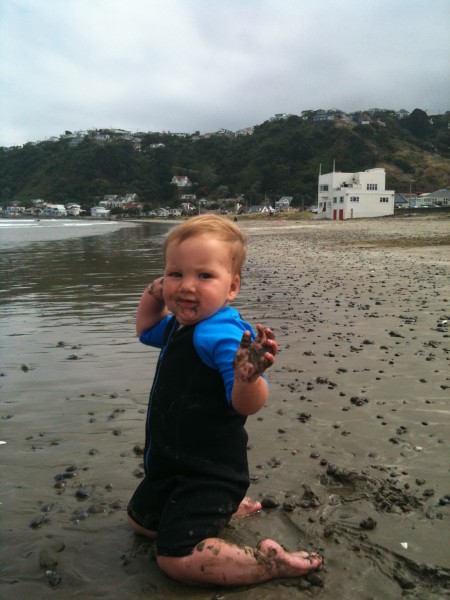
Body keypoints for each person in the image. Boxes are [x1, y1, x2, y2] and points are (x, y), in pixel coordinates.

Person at [127, 215, 322, 586]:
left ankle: (270, 563)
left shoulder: (221, 335)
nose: (186, 286)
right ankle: (224, 513)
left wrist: (249, 377)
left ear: (232, 287)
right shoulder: (181, 325)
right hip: (171, 464)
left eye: (204, 276)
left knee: (175, 557)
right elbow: (145, 330)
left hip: (208, 471)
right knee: (140, 523)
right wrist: (153, 293)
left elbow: (246, 405)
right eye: (174, 274)